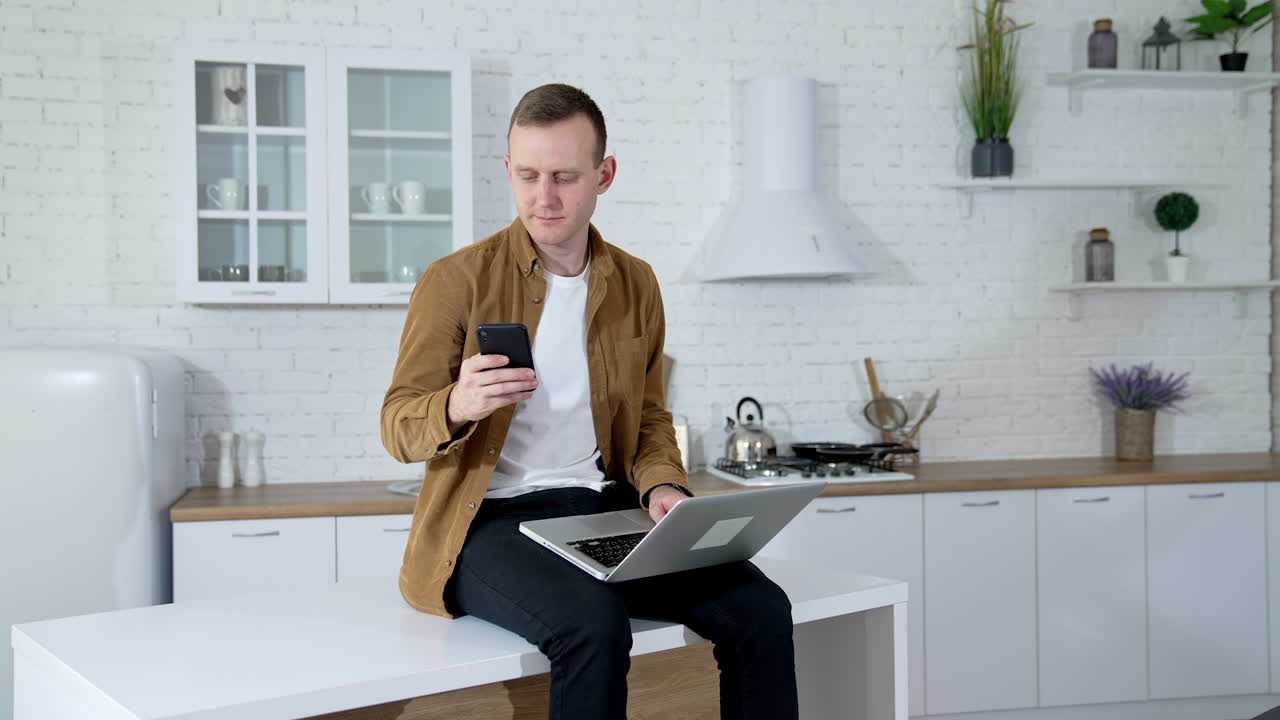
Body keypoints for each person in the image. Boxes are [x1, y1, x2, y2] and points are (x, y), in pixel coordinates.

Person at [381, 83, 798, 720]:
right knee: (594, 625)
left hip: (602, 510)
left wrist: (665, 487)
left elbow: (652, 417)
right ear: (508, 171)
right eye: (528, 175)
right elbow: (396, 427)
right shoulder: (456, 280)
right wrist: (458, 404)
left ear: (604, 175)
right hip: (489, 523)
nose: (543, 197)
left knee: (762, 610)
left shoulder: (635, 282)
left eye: (565, 177)